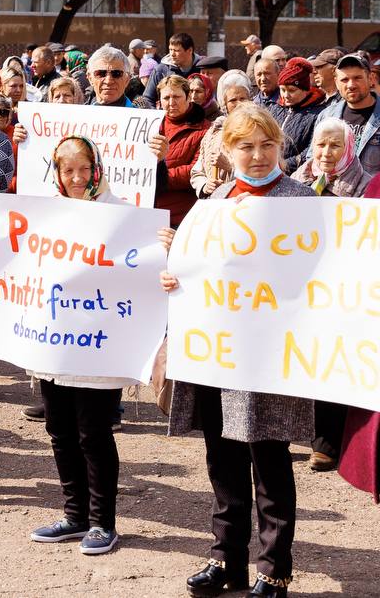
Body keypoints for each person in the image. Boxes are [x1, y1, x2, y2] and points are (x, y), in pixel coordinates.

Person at [159, 103, 313, 598]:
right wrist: (174, 276)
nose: (258, 155)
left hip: (270, 356)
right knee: (221, 457)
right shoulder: (214, 204)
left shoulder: (301, 201)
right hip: (219, 354)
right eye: (246, 146)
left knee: (269, 457)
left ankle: (275, 567)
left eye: (267, 145)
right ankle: (226, 558)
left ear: (281, 147)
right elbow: (197, 272)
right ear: (227, 151)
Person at [22, 137, 135, 553]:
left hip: (99, 347)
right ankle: (75, 515)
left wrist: (164, 244)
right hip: (57, 345)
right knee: (59, 430)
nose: (75, 178)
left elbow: (139, 266)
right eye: (67, 170)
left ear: (97, 169)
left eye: (83, 169)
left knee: (94, 433)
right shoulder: (45, 216)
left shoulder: (121, 215)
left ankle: (104, 522)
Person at [290, 117, 368, 474]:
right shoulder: (297, 183)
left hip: (341, 288)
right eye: (321, 145)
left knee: (332, 359)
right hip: (301, 286)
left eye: (335, 145)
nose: (326, 152)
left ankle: (327, 444)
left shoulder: (364, 187)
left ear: (349, 148)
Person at [309, 53, 380, 176]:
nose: (351, 85)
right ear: (336, 82)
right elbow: (312, 158)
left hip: (371, 194)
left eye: (357, 78)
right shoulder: (326, 116)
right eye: (344, 79)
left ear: (370, 78)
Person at [154, 74, 207, 227]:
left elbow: (195, 169)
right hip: (149, 211)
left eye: (176, 96)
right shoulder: (151, 124)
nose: (171, 103)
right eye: (166, 98)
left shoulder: (204, 129)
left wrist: (159, 177)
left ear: (188, 96)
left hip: (182, 215)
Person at [190, 71, 253, 198]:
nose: (239, 104)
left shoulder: (257, 130)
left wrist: (231, 167)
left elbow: (264, 173)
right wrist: (205, 185)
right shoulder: (214, 131)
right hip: (215, 203)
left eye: (243, 99)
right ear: (225, 104)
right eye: (233, 100)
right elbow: (197, 171)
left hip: (242, 200)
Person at [272, 58, 327, 163]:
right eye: (283, 90)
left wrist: (283, 166)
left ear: (305, 90)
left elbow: (311, 151)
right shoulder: (275, 109)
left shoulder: (318, 114)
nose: (286, 95)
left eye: (292, 90)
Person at [142, 32, 201, 105]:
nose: (172, 54)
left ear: (190, 50)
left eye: (176, 50)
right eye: (170, 50)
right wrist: (160, 114)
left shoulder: (202, 69)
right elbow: (147, 99)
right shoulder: (160, 70)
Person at [85, 46, 153, 109]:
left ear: (127, 79)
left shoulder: (143, 116)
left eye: (116, 74)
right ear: (90, 78)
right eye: (101, 73)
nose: (108, 81)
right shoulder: (79, 117)